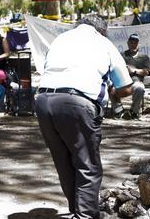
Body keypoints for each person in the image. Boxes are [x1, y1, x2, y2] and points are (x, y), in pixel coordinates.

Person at [35, 15, 133, 219]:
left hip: (43, 101)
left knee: (63, 161)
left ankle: (77, 210)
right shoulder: (103, 43)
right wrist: (112, 92)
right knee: (87, 165)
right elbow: (126, 88)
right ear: (102, 30)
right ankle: (85, 215)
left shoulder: (61, 39)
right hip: (76, 103)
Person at [111, 33, 150, 119]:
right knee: (110, 87)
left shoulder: (144, 57)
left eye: (135, 43)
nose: (133, 45)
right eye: (131, 42)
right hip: (122, 82)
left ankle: (134, 112)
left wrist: (134, 71)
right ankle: (119, 111)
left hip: (135, 82)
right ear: (128, 43)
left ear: (138, 44)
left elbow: (147, 72)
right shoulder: (121, 55)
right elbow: (114, 68)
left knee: (140, 87)